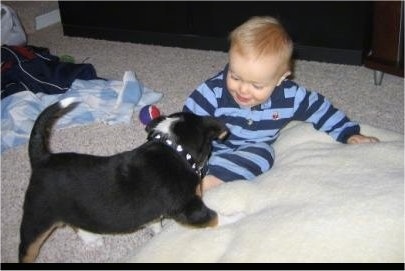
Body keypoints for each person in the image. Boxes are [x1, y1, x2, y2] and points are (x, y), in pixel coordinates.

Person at [183, 16, 379, 192]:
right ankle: (191, 177)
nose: (242, 90)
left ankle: (213, 182)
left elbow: (321, 110)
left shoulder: (290, 97)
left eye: (256, 85)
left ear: (281, 79)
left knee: (264, 153)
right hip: (209, 147)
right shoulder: (213, 91)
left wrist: (348, 133)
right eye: (235, 76)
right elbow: (187, 122)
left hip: (249, 149)